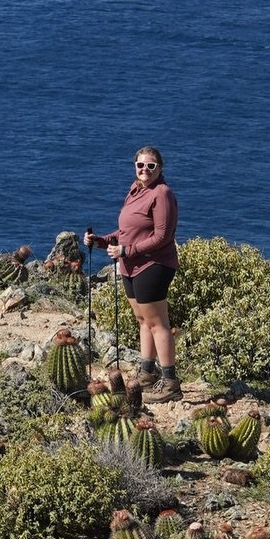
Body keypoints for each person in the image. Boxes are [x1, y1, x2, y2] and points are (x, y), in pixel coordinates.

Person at [85, 148, 181, 401]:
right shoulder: (136, 190)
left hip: (153, 265)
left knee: (157, 323)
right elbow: (127, 229)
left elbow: (162, 237)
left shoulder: (162, 194)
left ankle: (170, 383)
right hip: (129, 265)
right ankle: (147, 373)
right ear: (134, 166)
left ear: (161, 168)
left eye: (151, 166)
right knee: (142, 320)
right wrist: (102, 241)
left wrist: (127, 250)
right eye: (140, 165)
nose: (144, 170)